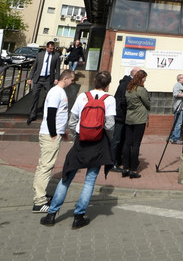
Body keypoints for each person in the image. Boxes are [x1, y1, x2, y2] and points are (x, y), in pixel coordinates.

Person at [40, 70, 116, 229]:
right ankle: (78, 216)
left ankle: (52, 214)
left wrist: (78, 136)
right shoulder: (110, 99)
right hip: (98, 143)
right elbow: (109, 125)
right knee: (90, 180)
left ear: (95, 81)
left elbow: (72, 121)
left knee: (66, 177)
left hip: (81, 141)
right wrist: (107, 140)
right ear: (108, 84)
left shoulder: (82, 96)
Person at [32, 69, 75, 213]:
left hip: (55, 133)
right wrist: (53, 133)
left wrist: (61, 132)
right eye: (72, 79)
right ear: (66, 79)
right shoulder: (56, 92)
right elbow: (51, 113)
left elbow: (59, 114)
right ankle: (39, 201)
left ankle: (41, 195)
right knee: (45, 165)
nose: (72, 82)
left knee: (46, 164)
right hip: (50, 134)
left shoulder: (59, 92)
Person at [110, 66, 139, 172]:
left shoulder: (129, 83)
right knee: (117, 140)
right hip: (120, 116)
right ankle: (112, 163)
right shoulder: (126, 84)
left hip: (124, 116)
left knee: (121, 140)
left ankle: (118, 159)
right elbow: (123, 101)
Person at [122, 70, 149, 178]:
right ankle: (133, 169)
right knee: (136, 144)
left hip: (129, 118)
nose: (145, 79)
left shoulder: (129, 88)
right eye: (145, 78)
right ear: (142, 78)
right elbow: (147, 103)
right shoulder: (141, 89)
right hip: (139, 119)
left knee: (127, 143)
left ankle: (125, 167)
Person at [26, 41, 62, 124]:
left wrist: (57, 78)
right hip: (38, 78)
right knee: (35, 95)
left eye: (53, 48)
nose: (51, 50)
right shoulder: (40, 55)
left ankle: (45, 112)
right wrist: (30, 78)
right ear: (46, 48)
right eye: (50, 48)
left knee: (49, 96)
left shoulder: (56, 56)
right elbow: (34, 67)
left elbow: (57, 69)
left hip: (49, 78)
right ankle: (32, 114)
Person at [170, 74, 183, 143]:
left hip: (181, 107)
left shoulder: (182, 85)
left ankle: (172, 137)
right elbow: (175, 93)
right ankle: (175, 138)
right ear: (180, 79)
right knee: (178, 123)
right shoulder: (177, 85)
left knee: (176, 122)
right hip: (178, 107)